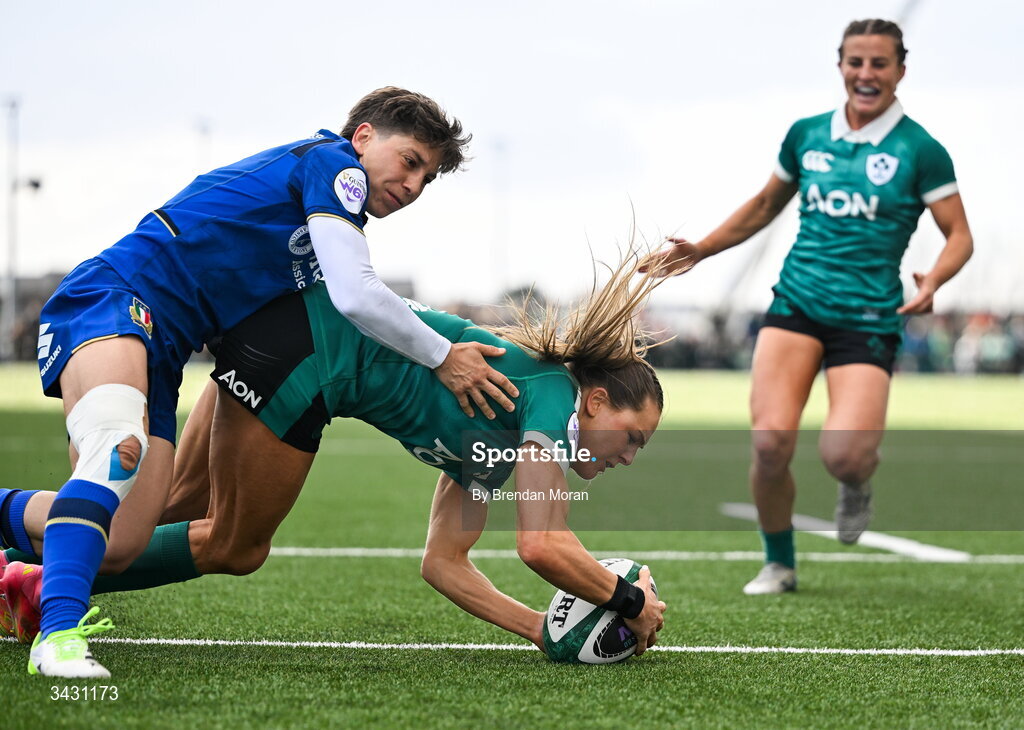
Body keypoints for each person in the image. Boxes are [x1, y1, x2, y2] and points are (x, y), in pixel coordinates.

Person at [0, 87, 521, 678]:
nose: (413, 185)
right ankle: (59, 635)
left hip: (168, 350)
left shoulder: (323, 218)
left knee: (120, 542)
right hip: (118, 299)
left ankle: (10, 569)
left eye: (427, 178)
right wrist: (441, 354)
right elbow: (356, 295)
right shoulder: (334, 166)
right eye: (411, 161)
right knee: (116, 448)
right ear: (364, 136)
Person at [2, 251, 668, 663]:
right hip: (307, 353)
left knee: (160, 515)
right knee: (236, 545)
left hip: (283, 334)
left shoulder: (498, 449)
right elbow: (542, 545)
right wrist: (628, 601)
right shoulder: (552, 394)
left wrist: (543, 632)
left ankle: (25, 578)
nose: (630, 457)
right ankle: (21, 553)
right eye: (632, 436)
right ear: (597, 401)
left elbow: (443, 563)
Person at [644, 19, 973, 594]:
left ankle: (856, 481)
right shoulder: (807, 136)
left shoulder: (921, 150)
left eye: (879, 64)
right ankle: (779, 562)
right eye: (855, 62)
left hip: (869, 317)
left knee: (845, 456)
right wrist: (699, 250)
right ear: (840, 65)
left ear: (900, 69)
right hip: (796, 303)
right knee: (770, 443)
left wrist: (934, 281)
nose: (866, 75)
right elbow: (765, 204)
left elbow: (960, 236)